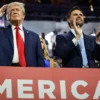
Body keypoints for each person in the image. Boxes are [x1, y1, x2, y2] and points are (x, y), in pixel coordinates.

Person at [0, 2, 44, 67]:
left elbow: (40, 59)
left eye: (17, 10)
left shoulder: (34, 37)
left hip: (28, 72)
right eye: (12, 10)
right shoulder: (1, 32)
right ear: (7, 17)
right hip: (5, 72)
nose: (15, 12)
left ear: (23, 16)